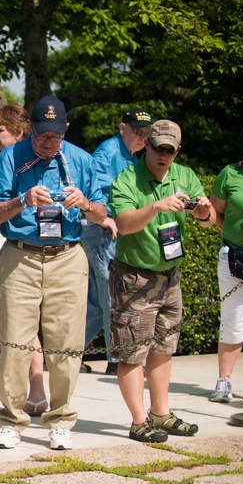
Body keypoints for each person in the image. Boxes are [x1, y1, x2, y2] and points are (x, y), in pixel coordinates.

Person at [0, 94, 106, 451]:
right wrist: (22, 201)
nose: (50, 144)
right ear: (30, 131)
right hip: (20, 256)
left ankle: (61, 418)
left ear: (65, 130)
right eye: (42, 137)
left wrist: (85, 203)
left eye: (56, 137)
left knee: (66, 346)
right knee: (14, 345)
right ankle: (11, 420)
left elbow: (102, 212)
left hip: (68, 257)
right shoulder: (11, 156)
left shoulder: (82, 160)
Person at [109, 120, 208, 442]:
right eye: (158, 148)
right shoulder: (128, 178)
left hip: (170, 277)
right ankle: (139, 421)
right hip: (135, 278)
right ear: (146, 146)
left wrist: (204, 212)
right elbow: (123, 225)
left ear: (177, 150)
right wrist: (154, 207)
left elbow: (208, 222)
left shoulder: (185, 175)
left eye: (170, 150)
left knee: (164, 348)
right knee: (132, 352)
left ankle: (160, 413)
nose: (163, 155)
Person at [0, 103, 46, 416]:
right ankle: (38, 394)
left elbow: (2, 211)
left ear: (17, 132)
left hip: (6, 250)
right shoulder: (26, 161)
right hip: (3, 250)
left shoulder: (13, 160)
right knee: (27, 328)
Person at [85, 107, 152, 376]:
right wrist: (106, 219)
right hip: (101, 232)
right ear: (122, 128)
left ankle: (73, 351)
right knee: (112, 295)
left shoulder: (132, 156)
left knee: (95, 300)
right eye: (137, 132)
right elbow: (95, 193)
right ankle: (116, 359)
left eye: (147, 134)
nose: (142, 138)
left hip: (111, 233)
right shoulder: (109, 153)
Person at [208, 118, 243, 403]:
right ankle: (223, 382)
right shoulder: (231, 173)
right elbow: (215, 211)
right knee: (233, 321)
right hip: (234, 259)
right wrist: (230, 236)